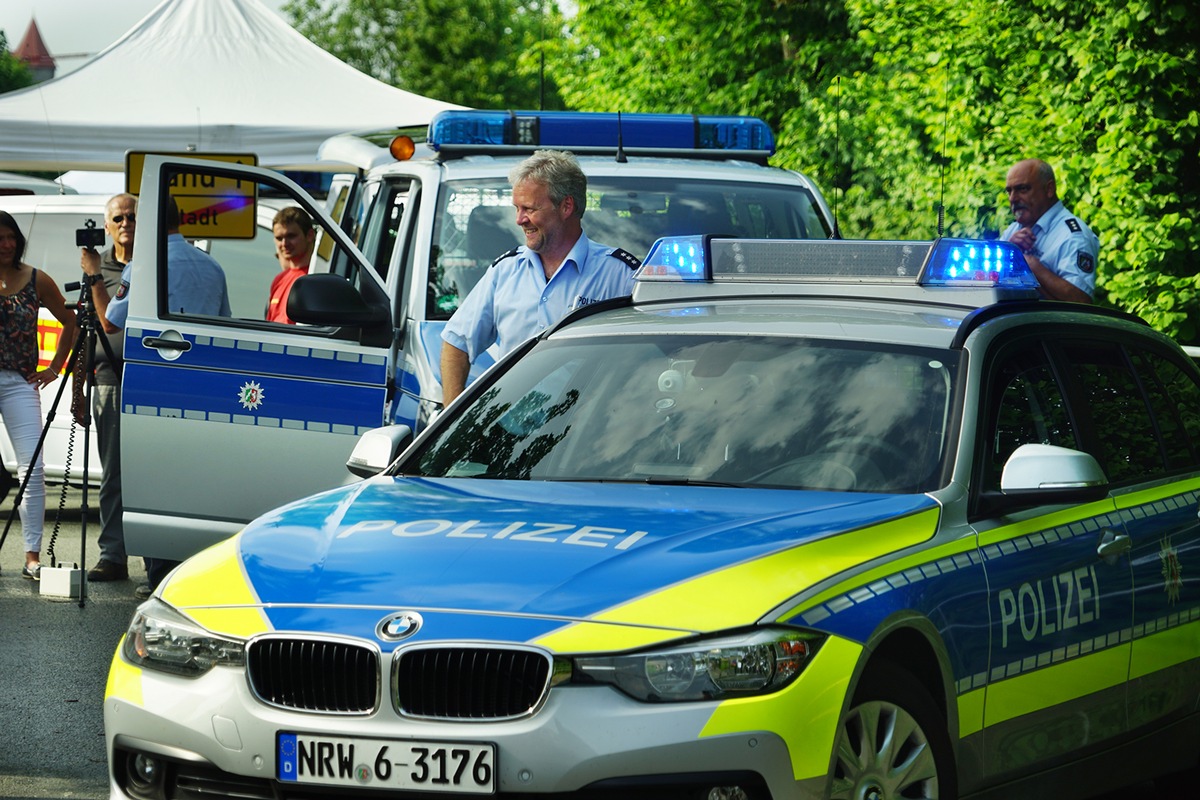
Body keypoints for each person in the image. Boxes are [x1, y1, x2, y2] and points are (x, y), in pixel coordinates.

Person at [440, 150, 640, 405]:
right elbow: (456, 342)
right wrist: (453, 420)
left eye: (529, 209)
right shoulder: (506, 271)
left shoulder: (621, 275)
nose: (519, 220)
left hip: (586, 436)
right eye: (517, 208)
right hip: (506, 433)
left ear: (566, 206)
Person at [106, 198, 231, 597]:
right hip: (202, 384)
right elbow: (224, 322)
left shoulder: (142, 265)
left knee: (153, 477)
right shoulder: (211, 266)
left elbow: (113, 320)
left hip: (155, 382)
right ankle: (193, 570)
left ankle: (160, 574)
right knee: (196, 476)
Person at [0, 210, 79, 580]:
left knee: (32, 470)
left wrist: (54, 367)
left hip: (20, 382)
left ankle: (32, 556)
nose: (6, 244)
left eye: (11, 237)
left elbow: (72, 323)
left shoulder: (35, 278)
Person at [74, 194, 135, 583]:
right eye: (119, 218)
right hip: (109, 380)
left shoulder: (153, 266)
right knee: (113, 474)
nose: (126, 222)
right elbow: (87, 332)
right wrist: (78, 388)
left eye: (132, 216)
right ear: (107, 226)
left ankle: (157, 561)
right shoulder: (96, 269)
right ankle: (113, 555)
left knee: (150, 470)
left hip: (152, 377)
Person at [1001, 158, 1099, 303]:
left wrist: (1031, 266)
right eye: (1009, 191)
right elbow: (984, 281)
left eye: (1022, 189)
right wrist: (1006, 252)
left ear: (1049, 189)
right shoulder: (1013, 230)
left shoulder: (1073, 235)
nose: (1013, 198)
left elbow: (1081, 300)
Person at [265, 206, 315, 324]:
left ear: (309, 235)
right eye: (279, 238)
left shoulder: (315, 276)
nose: (284, 243)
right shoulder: (279, 279)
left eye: (291, 236)